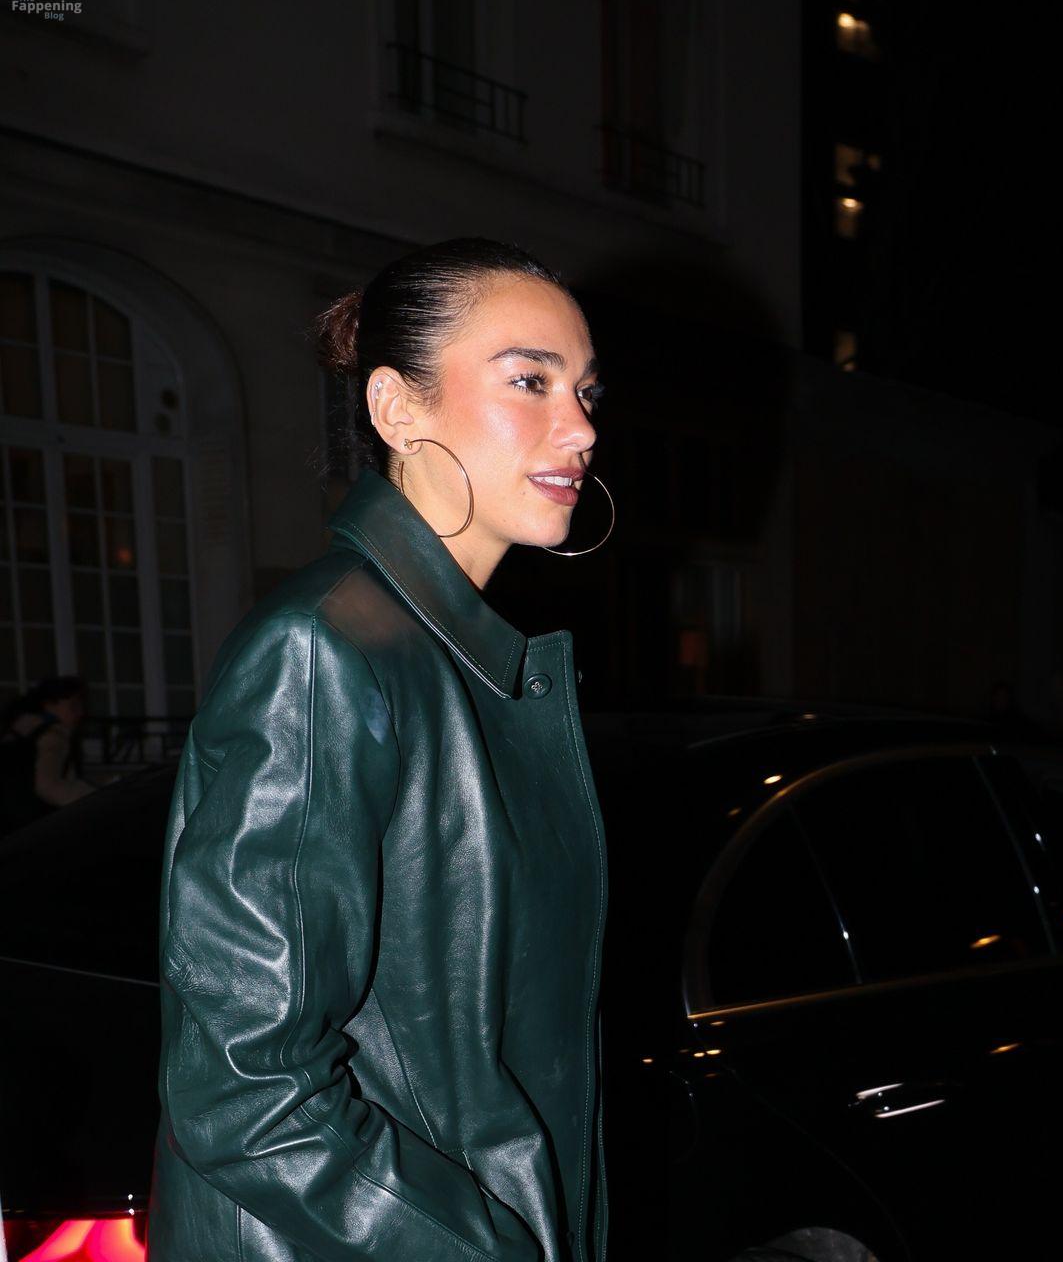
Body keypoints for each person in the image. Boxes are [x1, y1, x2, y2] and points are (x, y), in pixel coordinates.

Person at [148, 238, 613, 1260]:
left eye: (585, 390)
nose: (580, 426)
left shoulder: (451, 657)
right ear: (398, 408)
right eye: (530, 381)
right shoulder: (327, 650)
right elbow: (244, 1088)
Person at [0, 674, 95, 834]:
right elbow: (48, 786)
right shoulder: (52, 736)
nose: (80, 713)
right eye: (73, 706)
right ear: (49, 704)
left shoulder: (18, 731)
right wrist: (92, 798)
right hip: (36, 823)